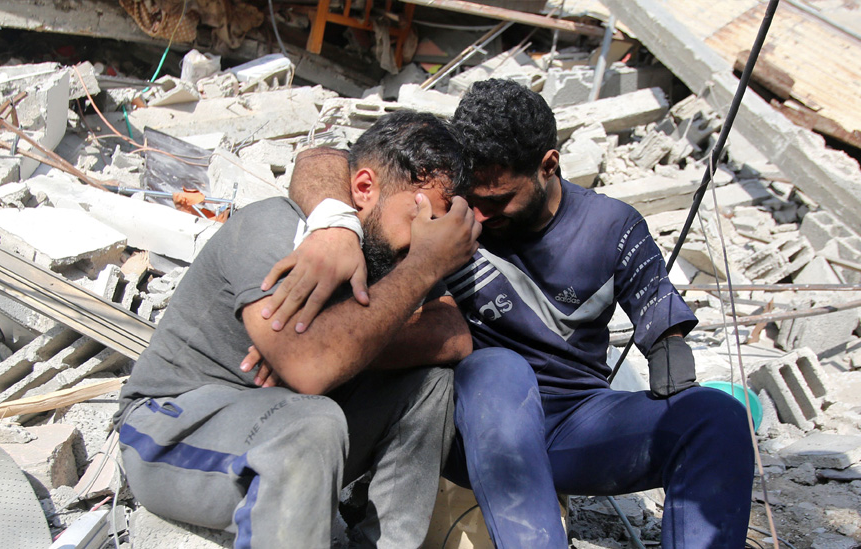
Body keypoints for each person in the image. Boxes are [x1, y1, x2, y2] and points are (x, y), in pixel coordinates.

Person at [259, 79, 756, 548]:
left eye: (497, 201)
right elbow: (324, 160)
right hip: (462, 427)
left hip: (572, 423)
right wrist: (334, 224)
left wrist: (671, 351)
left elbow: (660, 313)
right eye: (470, 200)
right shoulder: (445, 209)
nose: (476, 217)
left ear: (548, 165)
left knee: (718, 418)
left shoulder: (610, 227)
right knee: (498, 369)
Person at [113, 110, 481, 548]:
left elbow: (453, 335)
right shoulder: (276, 228)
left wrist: (340, 344)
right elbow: (311, 369)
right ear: (364, 188)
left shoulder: (395, 256)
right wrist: (424, 266)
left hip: (290, 431)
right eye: (420, 218)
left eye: (437, 230)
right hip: (172, 434)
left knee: (432, 384)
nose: (427, 239)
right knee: (314, 421)